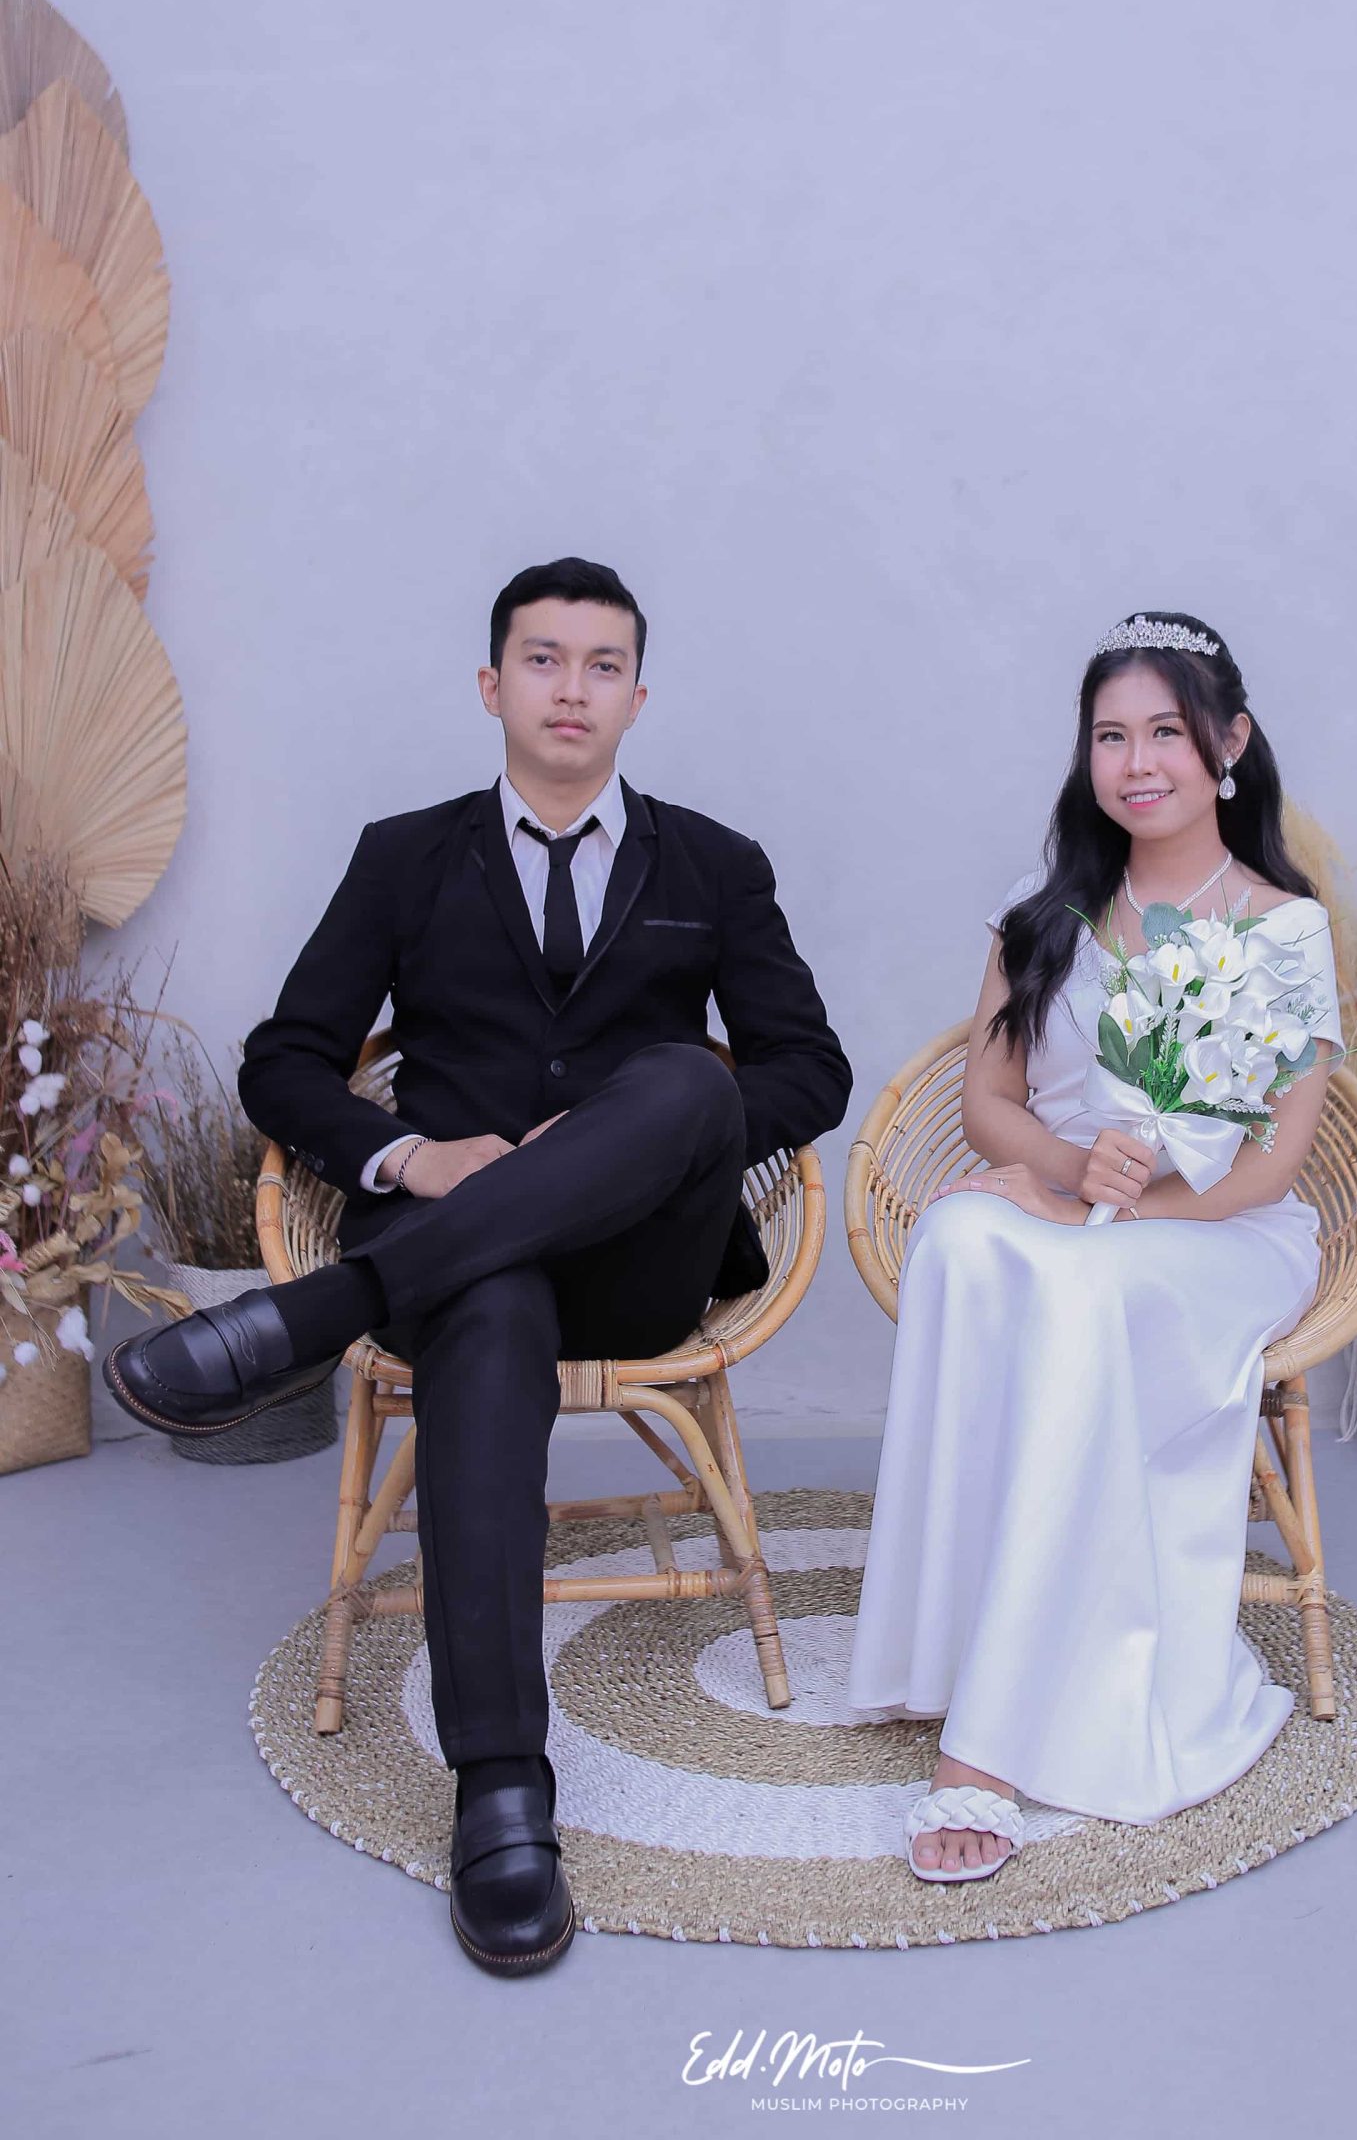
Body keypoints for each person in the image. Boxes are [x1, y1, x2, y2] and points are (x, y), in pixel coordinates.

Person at [106, 556, 852, 1973]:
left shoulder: (715, 863)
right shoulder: (404, 855)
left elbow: (807, 1068)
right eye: (542, 660)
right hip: (463, 1261)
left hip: (639, 1261)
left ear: (638, 697)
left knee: (684, 1081)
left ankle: (324, 1312)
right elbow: (287, 1061)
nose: (572, 688)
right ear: (491, 685)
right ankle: (501, 1785)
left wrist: (633, 1135)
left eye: (601, 664)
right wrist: (410, 1158)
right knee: (489, 1307)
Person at [846, 611, 1344, 1883]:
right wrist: (1069, 1178)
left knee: (1080, 1288)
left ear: (1227, 743)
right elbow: (987, 1105)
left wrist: (1115, 1218)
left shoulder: (1283, 930)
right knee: (961, 1235)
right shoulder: (1047, 918)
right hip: (1079, 1203)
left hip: (1220, 1232)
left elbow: (1273, 1164)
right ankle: (938, 1645)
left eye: (1164, 732)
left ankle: (986, 1746)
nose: (1135, 762)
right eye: (1108, 736)